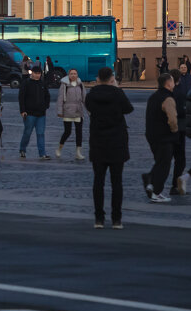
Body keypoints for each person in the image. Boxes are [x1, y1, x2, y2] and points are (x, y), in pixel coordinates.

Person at [85, 67, 134, 229]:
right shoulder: (117, 94)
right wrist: (116, 88)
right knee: (116, 182)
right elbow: (128, 109)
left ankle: (99, 218)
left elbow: (89, 108)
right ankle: (116, 219)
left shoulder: (92, 95)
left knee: (98, 181)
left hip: (98, 142)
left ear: (98, 78)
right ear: (112, 78)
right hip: (116, 142)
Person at [141, 72, 179, 203]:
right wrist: (175, 132)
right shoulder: (168, 98)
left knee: (159, 161)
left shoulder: (153, 96)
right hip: (164, 136)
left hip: (152, 135)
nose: (174, 84)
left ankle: (150, 180)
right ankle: (156, 191)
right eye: (173, 81)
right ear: (168, 84)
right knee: (164, 165)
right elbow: (173, 119)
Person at [18, 64, 51, 160]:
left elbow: (47, 96)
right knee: (27, 133)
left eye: (39, 73)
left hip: (41, 114)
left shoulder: (42, 84)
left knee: (40, 133)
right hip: (29, 114)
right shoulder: (26, 83)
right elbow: (21, 97)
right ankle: (22, 149)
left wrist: (46, 106)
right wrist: (23, 110)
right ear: (32, 73)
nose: (37, 75)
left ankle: (42, 153)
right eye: (36, 73)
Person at [55, 68, 86, 160]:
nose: (73, 75)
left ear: (77, 75)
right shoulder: (64, 85)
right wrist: (60, 111)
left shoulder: (80, 85)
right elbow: (60, 98)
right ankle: (59, 148)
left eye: (75, 74)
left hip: (78, 110)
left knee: (79, 132)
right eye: (71, 74)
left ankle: (78, 152)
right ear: (68, 75)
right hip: (67, 110)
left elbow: (85, 99)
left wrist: (89, 111)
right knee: (67, 132)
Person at [168, 69, 189, 195]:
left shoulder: (168, 91)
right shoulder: (180, 91)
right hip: (179, 127)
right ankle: (175, 185)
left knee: (167, 157)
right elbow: (182, 110)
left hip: (169, 127)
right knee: (180, 158)